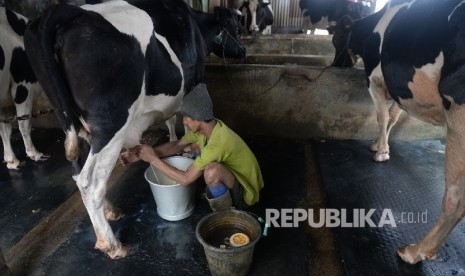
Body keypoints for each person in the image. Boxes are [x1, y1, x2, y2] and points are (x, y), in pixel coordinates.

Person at [120, 83, 264, 211]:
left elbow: (186, 179)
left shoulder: (217, 144)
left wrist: (153, 160)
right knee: (195, 147)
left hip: (247, 193)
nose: (184, 122)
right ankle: (217, 189)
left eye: (187, 117)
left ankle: (227, 213)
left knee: (211, 172)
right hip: (235, 175)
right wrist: (141, 155)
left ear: (198, 119)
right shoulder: (209, 128)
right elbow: (177, 145)